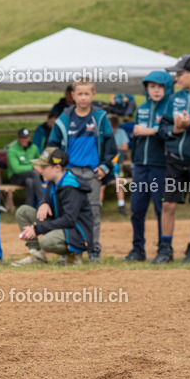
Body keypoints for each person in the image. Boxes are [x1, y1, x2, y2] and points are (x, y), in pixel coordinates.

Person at [46, 80, 115, 261]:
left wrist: (105, 167)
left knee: (93, 212)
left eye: (87, 94)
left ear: (93, 95)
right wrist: (56, 168)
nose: (83, 98)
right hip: (69, 174)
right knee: (67, 213)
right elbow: (52, 145)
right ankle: (68, 250)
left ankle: (93, 250)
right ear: (73, 96)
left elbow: (110, 145)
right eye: (79, 94)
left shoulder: (100, 117)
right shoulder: (64, 119)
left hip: (92, 173)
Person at [156, 54, 190, 264]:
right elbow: (163, 128)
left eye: (180, 74)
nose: (176, 78)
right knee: (168, 205)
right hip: (174, 161)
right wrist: (175, 129)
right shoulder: (175, 99)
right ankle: (164, 249)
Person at [13, 147, 92, 266]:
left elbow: (69, 220)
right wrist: (43, 203)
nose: (40, 170)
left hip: (76, 233)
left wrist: (37, 229)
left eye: (44, 167)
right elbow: (45, 199)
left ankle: (74, 255)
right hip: (62, 225)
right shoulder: (52, 182)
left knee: (46, 242)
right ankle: (37, 256)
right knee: (23, 211)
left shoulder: (71, 187)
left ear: (57, 167)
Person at [125, 70, 171, 262]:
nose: (156, 91)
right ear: (146, 89)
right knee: (136, 208)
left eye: (160, 87)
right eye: (152, 87)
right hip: (140, 166)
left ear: (167, 88)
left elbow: (171, 133)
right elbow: (137, 133)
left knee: (161, 209)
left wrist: (150, 131)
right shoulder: (142, 108)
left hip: (160, 165)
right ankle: (138, 249)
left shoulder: (170, 109)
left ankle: (163, 249)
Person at [7, 128, 42, 207]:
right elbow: (16, 169)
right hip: (15, 177)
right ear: (18, 138)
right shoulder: (12, 149)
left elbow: (38, 162)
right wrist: (33, 166)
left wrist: (38, 167)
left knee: (29, 181)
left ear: (29, 138)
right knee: (33, 173)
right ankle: (42, 200)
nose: (23, 140)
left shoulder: (34, 148)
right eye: (21, 137)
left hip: (30, 176)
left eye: (25, 137)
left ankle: (28, 206)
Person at [107, 115, 130, 215]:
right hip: (106, 163)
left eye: (115, 127)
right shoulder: (104, 133)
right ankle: (97, 206)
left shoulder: (121, 132)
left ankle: (121, 206)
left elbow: (125, 147)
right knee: (101, 186)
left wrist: (117, 147)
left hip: (117, 162)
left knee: (119, 183)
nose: (113, 129)